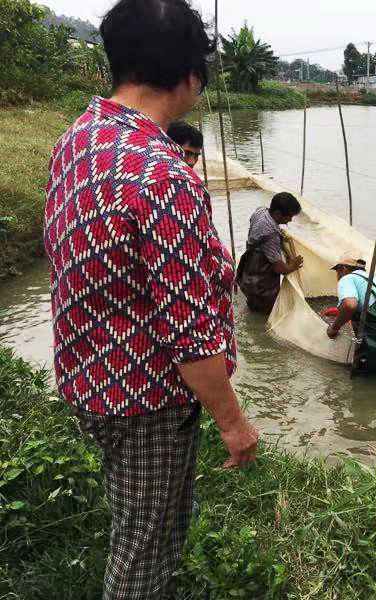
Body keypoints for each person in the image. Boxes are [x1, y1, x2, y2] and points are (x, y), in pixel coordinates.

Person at [42, 1, 258, 598]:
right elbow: (189, 334)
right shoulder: (166, 178)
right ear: (190, 75)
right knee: (146, 545)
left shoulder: (80, 136)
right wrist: (233, 422)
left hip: (91, 374)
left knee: (142, 517)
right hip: (146, 402)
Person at [236, 192, 304, 314]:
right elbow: (280, 269)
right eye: (289, 216)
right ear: (277, 214)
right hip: (261, 284)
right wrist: (293, 264)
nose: (290, 220)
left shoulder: (261, 211)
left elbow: (253, 222)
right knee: (267, 314)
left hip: (248, 273)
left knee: (253, 305)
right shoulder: (270, 236)